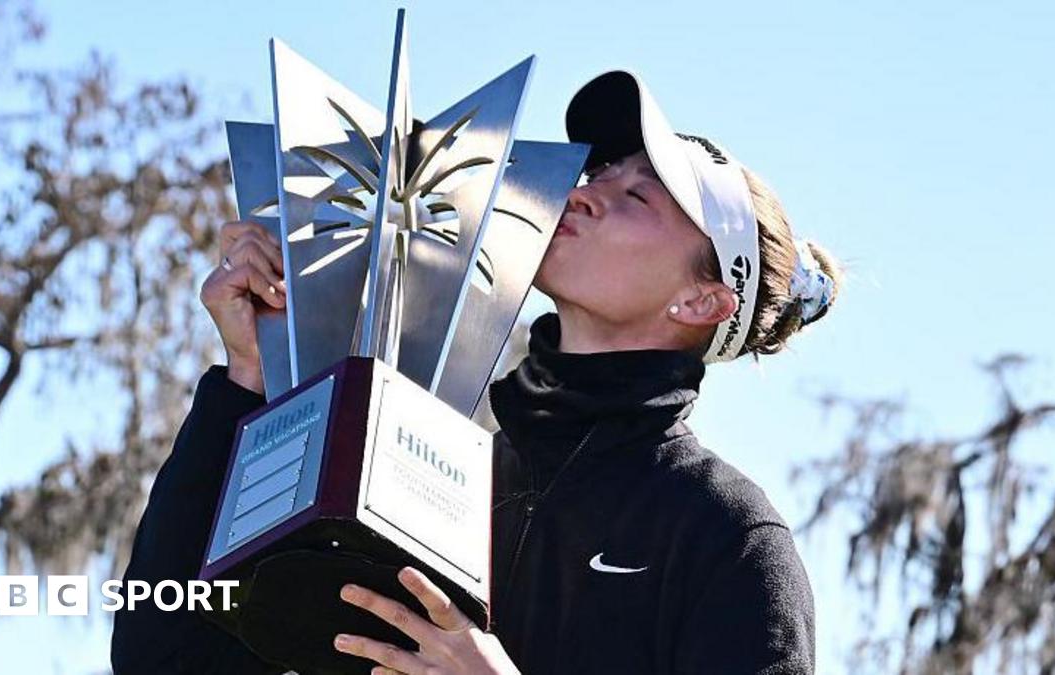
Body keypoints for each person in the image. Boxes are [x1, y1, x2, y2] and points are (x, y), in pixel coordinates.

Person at [112, 70, 837, 674]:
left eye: (637, 195)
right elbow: (162, 650)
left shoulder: (727, 535)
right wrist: (248, 378)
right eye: (601, 171)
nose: (584, 190)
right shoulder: (422, 457)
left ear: (701, 300)